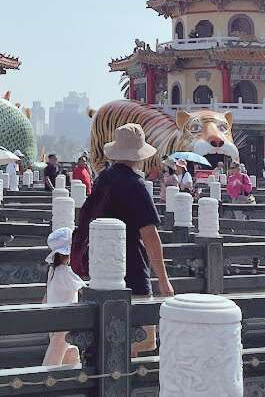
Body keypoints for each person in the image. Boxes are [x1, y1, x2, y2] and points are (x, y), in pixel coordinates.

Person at [96, 123, 175, 356]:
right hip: (132, 268)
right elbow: (150, 236)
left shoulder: (102, 179)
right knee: (141, 340)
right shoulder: (135, 184)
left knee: (107, 338)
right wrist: (164, 281)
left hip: (100, 269)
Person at [42, 227, 86, 366]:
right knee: (53, 360)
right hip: (66, 321)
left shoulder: (53, 270)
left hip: (54, 319)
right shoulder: (67, 272)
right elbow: (84, 290)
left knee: (67, 351)